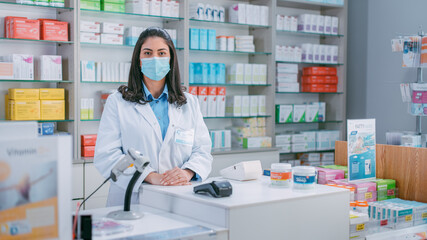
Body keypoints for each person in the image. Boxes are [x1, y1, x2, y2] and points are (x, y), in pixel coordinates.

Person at [94, 27, 213, 207]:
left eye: (162, 53)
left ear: (171, 59)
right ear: (139, 61)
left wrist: (187, 172)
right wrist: (150, 177)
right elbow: (107, 155)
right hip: (133, 199)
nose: (155, 59)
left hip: (179, 196)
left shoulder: (189, 102)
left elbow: (202, 150)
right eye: (148, 53)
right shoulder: (117, 102)